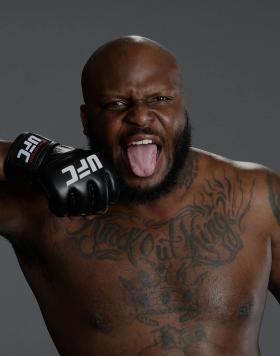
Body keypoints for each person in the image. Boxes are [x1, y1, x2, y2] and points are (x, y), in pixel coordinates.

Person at [0, 35, 279, 356]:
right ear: (86, 120)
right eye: (117, 104)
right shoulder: (42, 208)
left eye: (159, 99)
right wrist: (37, 155)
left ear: (182, 108)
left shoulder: (257, 196)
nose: (141, 117)